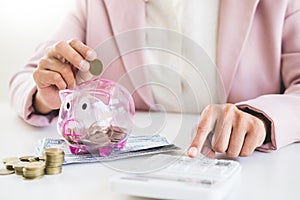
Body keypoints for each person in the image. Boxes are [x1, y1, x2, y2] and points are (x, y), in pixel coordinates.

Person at [9, 0, 300, 158]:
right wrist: (44, 95)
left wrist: (262, 119)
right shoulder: (94, 4)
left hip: (244, 176)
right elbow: (27, 77)